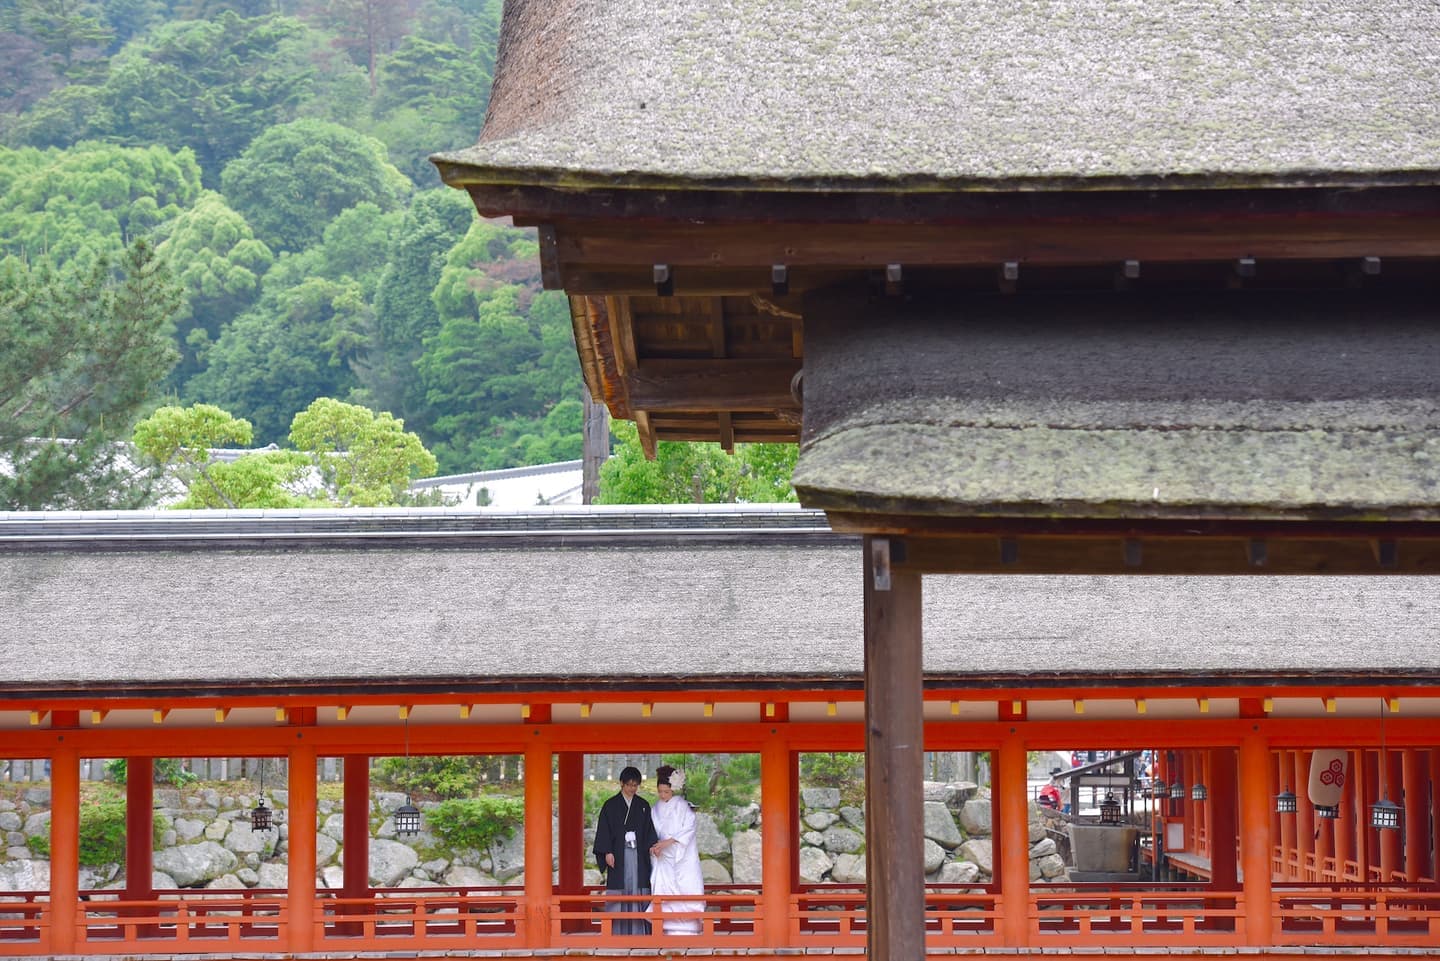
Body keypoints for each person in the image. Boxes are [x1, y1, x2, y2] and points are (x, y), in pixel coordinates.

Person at [592, 766, 658, 934]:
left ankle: (640, 931)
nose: (632, 789)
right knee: (620, 889)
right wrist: (607, 851)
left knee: (639, 887)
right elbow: (604, 831)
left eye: (635, 785)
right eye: (629, 785)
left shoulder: (643, 805)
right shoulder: (610, 805)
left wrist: (652, 847)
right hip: (618, 855)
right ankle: (617, 931)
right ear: (621, 783)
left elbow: (649, 831)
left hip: (638, 856)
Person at [649, 765, 705, 935]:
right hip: (663, 857)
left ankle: (689, 925)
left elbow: (689, 828)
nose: (662, 795)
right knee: (662, 888)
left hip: (682, 856)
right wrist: (655, 846)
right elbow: (651, 830)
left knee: (685, 885)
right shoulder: (655, 809)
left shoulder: (682, 806)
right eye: (660, 791)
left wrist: (670, 841)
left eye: (666, 792)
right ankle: (665, 924)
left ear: (672, 790)